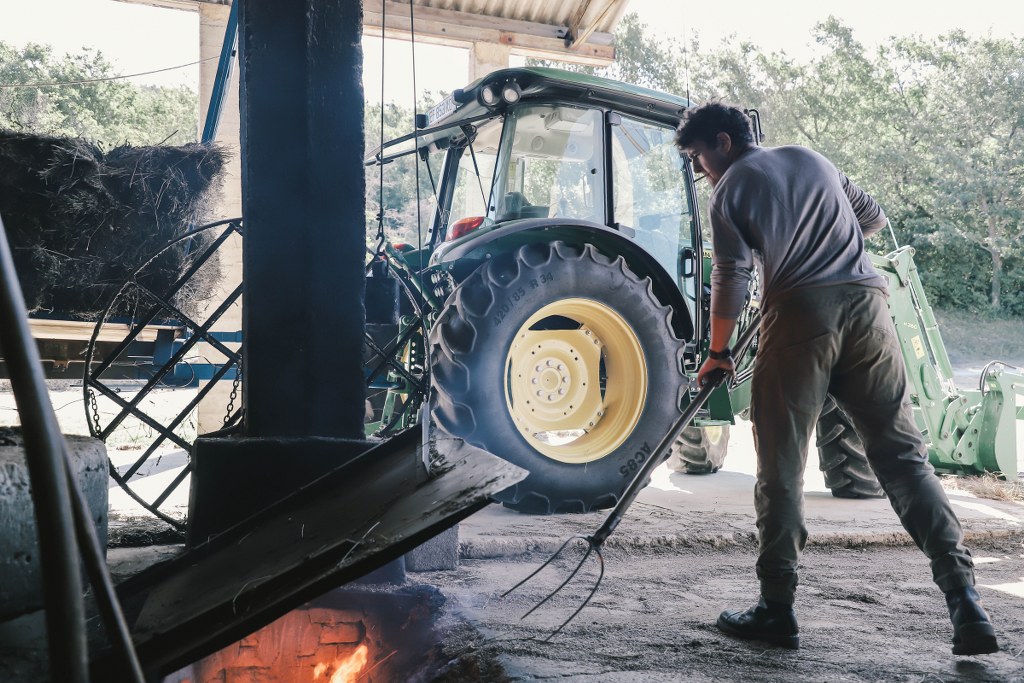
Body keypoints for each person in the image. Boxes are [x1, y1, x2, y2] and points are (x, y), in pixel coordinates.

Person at [674, 102, 998, 656]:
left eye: (699, 156)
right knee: (903, 458)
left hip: (801, 314)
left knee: (780, 465)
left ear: (723, 142)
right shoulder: (813, 159)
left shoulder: (728, 190)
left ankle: (776, 607)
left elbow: (730, 275)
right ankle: (965, 599)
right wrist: (826, 235)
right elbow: (871, 216)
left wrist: (718, 351)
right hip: (869, 309)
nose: (702, 169)